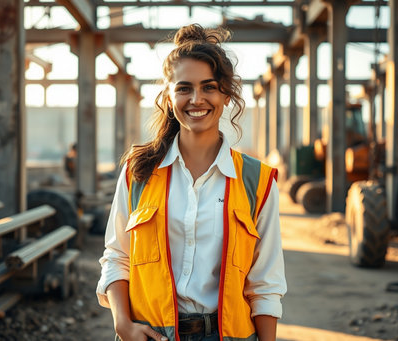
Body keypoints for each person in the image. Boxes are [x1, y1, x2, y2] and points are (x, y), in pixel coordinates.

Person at [96, 23, 287, 341]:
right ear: (169, 97)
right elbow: (117, 256)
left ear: (227, 95)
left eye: (209, 87)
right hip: (149, 334)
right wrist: (122, 324)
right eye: (184, 88)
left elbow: (266, 282)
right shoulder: (138, 172)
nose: (197, 99)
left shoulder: (258, 181)